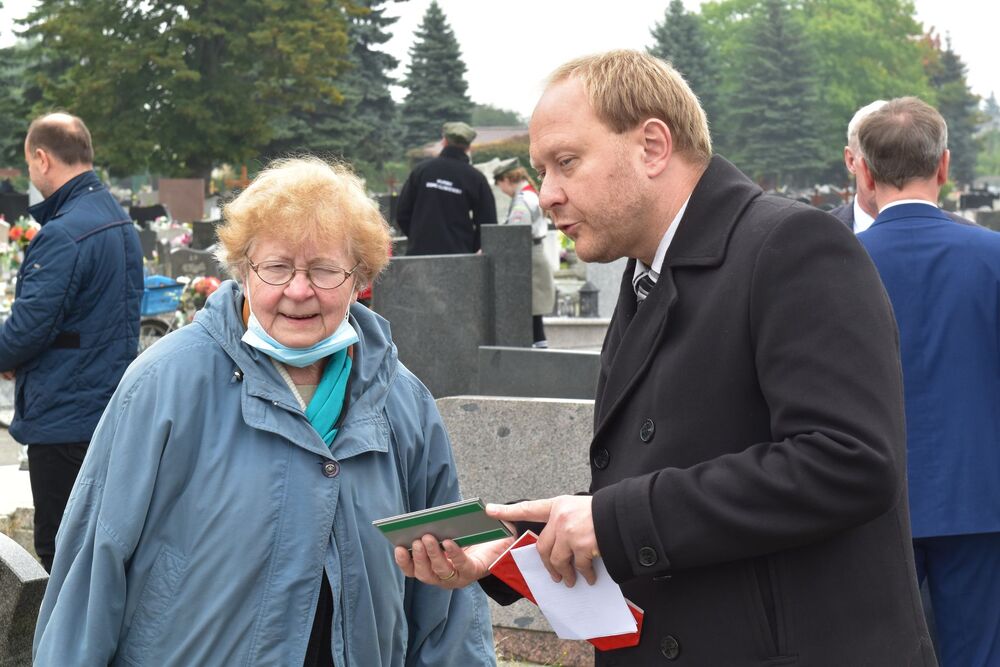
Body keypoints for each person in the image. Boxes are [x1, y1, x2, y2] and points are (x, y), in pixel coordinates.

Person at [396, 50, 935, 665]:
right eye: (541, 171)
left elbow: (849, 462)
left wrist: (612, 520)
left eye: (566, 163)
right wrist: (515, 548)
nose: (546, 195)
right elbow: (666, 473)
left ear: (652, 146)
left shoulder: (792, 245)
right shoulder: (644, 274)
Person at [33, 157, 496, 666]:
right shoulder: (164, 383)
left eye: (324, 269)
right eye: (276, 267)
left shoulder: (403, 402)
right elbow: (92, 566)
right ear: (242, 268)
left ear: (360, 276)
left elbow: (450, 601)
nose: (299, 291)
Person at [855, 96, 1000, 667]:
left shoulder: (837, 259)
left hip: (871, 498)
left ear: (863, 171)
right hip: (981, 494)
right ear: (944, 166)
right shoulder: (993, 256)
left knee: (871, 651)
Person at [0, 112, 143, 572]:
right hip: (102, 405)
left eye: (28, 165)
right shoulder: (116, 219)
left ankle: (62, 647)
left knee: (60, 555)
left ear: (42, 158)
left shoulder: (64, 233)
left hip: (63, 416)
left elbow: (26, 329)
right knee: (94, 555)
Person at [831, 100, 974, 231]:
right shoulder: (816, 235)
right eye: (878, 159)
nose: (895, 172)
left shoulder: (967, 233)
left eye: (909, 160)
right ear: (851, 161)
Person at [396, 121, 497, 255]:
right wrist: (470, 246)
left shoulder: (422, 170)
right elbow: (488, 223)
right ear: (468, 147)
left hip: (419, 254)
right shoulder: (476, 178)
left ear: (444, 141)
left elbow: (402, 212)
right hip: (460, 257)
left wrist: (418, 237)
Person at [493, 158, 556, 348]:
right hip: (534, 254)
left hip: (528, 257)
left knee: (531, 310)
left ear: (505, 180)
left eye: (500, 186)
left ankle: (537, 350)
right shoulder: (530, 194)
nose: (502, 191)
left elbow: (515, 234)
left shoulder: (521, 201)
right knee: (534, 311)